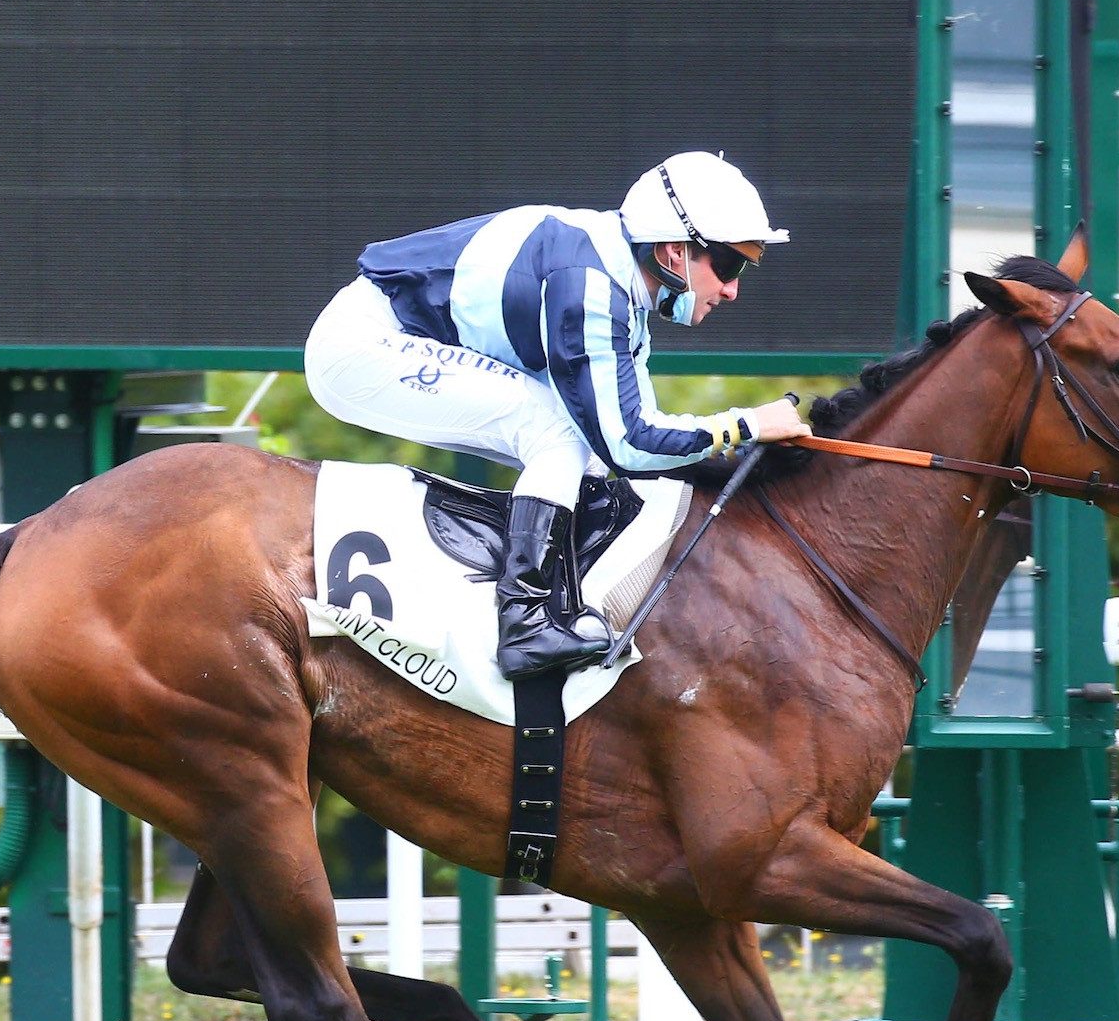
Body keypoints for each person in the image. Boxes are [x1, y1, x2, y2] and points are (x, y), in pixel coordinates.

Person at [304, 151, 811, 680]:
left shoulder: (620, 289)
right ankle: (524, 620)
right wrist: (746, 425)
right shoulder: (590, 289)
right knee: (558, 435)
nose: (732, 289)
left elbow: (630, 444)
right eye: (727, 265)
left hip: (390, 338)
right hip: (364, 345)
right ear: (671, 252)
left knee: (579, 447)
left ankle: (557, 603)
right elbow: (632, 444)